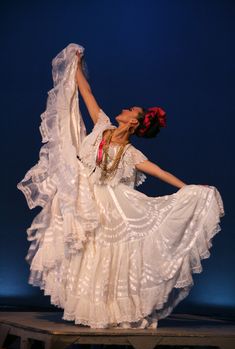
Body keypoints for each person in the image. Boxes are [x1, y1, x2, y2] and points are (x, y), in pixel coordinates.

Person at [17, 43, 224, 330]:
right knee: (89, 254)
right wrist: (76, 65)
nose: (124, 109)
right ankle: (96, 310)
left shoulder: (132, 154)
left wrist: (187, 187)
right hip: (86, 199)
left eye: (130, 110)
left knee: (111, 257)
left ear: (134, 122)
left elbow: (160, 171)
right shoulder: (102, 125)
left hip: (113, 206)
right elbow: (87, 93)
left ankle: (113, 310)